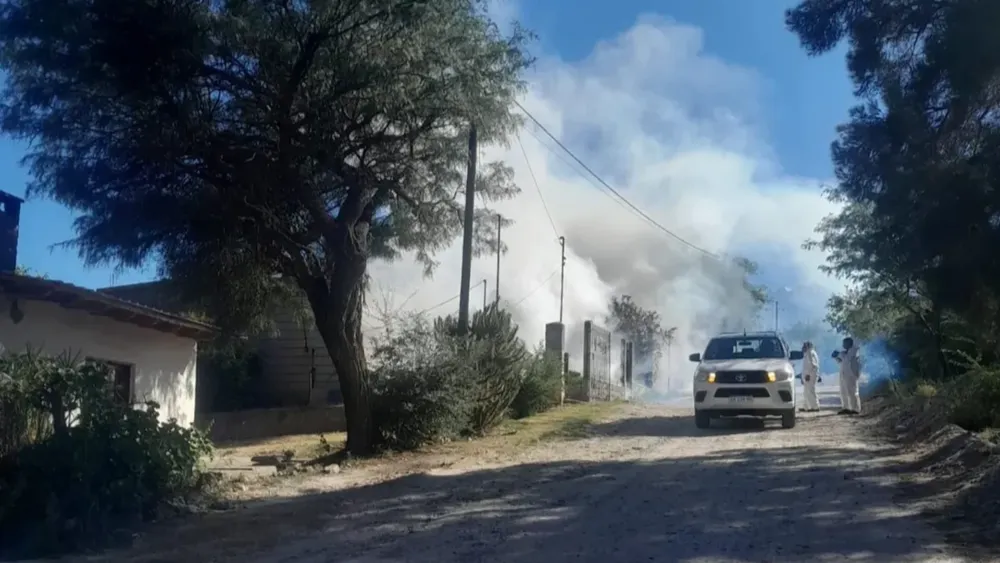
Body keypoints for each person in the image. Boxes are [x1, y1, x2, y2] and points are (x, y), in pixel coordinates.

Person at [837, 337, 862, 415]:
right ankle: (846, 407)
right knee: (843, 391)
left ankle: (855, 408)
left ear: (849, 343)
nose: (843, 345)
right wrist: (837, 358)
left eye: (844, 343)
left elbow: (847, 359)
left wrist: (839, 354)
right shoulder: (846, 352)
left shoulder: (854, 350)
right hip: (844, 374)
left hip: (851, 374)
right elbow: (842, 362)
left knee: (852, 391)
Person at [799, 341, 820, 412]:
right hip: (808, 375)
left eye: (804, 346)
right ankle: (806, 406)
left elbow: (813, 365)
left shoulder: (810, 353)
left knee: (811, 391)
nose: (802, 348)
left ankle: (815, 407)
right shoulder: (808, 353)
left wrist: (808, 374)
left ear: (807, 346)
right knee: (806, 391)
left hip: (810, 375)